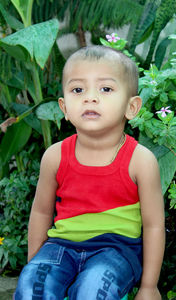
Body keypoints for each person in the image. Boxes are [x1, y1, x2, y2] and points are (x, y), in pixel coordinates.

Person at [14, 45, 165, 300]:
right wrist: (37, 265)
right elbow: (41, 212)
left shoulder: (140, 161)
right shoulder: (55, 156)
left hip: (116, 251)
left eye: (105, 89)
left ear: (132, 107)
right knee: (32, 289)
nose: (90, 97)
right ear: (64, 106)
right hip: (61, 247)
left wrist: (149, 286)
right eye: (77, 89)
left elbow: (153, 226)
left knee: (92, 290)